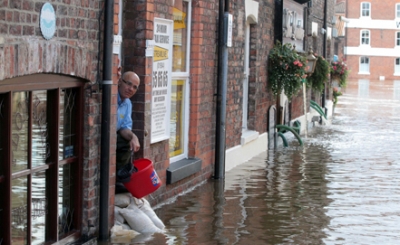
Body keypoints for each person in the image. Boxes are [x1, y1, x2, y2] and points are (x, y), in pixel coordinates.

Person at [116, 71, 141, 190]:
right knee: (124, 143)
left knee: (128, 141)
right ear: (120, 81)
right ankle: (118, 179)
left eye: (134, 87)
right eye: (129, 84)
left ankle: (120, 178)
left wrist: (133, 137)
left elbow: (123, 128)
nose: (131, 89)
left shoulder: (127, 103)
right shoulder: (111, 97)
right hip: (101, 136)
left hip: (114, 135)